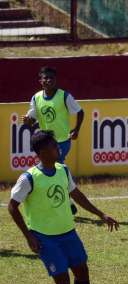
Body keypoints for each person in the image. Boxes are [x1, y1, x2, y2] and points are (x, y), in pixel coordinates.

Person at [7, 130, 119, 284]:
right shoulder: (29, 178)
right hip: (45, 239)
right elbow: (12, 207)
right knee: (62, 281)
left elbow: (76, 194)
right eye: (52, 146)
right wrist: (28, 236)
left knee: (82, 271)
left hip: (68, 233)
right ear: (41, 152)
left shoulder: (63, 170)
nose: (57, 148)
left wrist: (101, 214)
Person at [22, 66, 85, 214]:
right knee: (56, 170)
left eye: (51, 78)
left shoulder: (64, 96)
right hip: (45, 142)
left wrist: (76, 130)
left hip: (62, 141)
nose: (48, 80)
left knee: (57, 167)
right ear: (40, 81)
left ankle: (67, 203)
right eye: (45, 78)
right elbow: (32, 120)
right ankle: (64, 201)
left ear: (56, 80)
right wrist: (27, 121)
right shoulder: (36, 98)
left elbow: (80, 112)